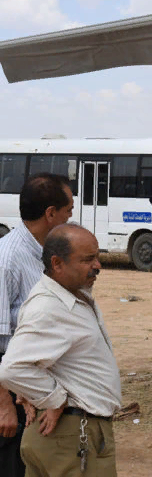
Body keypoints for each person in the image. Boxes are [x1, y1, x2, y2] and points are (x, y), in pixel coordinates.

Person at [0, 223, 121, 477]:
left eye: (97, 257)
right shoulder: (49, 307)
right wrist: (54, 398)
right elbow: (12, 368)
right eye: (88, 259)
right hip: (73, 436)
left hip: (69, 434)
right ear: (57, 264)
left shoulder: (71, 296)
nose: (98, 265)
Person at [0, 173, 74, 477]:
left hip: (38, 391)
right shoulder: (8, 259)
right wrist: (4, 405)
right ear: (50, 214)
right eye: (68, 209)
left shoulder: (47, 255)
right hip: (12, 397)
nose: (72, 216)